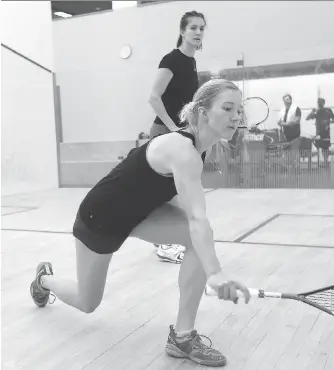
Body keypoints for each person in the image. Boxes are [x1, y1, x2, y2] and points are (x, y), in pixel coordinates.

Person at [30, 79, 251, 367]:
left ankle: (182, 337)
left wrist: (195, 245)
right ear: (203, 113)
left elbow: (172, 199)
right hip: (101, 218)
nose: (237, 116)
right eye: (228, 108)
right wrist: (215, 273)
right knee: (88, 302)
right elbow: (196, 216)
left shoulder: (199, 149)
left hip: (140, 215)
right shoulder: (183, 150)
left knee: (198, 237)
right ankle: (43, 280)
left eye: (240, 109)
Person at [148, 10, 206, 264]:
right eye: (193, 28)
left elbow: (186, 104)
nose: (198, 32)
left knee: (177, 190)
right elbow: (154, 97)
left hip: (181, 135)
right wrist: (173, 128)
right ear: (182, 31)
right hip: (165, 133)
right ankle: (165, 244)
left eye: (202, 28)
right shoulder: (172, 59)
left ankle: (166, 240)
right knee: (169, 192)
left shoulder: (192, 63)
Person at [306, 97, 334, 166]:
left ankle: (326, 162)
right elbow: (307, 118)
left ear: (324, 103)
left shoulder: (328, 110)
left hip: (326, 132)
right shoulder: (317, 111)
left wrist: (327, 122)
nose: (319, 103)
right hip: (318, 133)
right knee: (318, 147)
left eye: (321, 102)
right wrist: (312, 112)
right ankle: (320, 163)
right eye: (318, 102)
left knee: (325, 148)